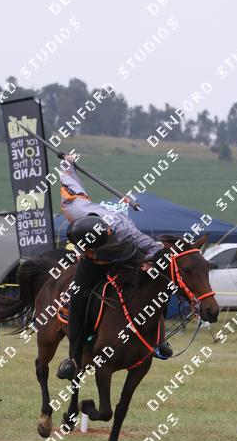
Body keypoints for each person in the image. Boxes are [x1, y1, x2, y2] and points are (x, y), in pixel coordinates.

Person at [56, 154, 172, 380]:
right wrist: (67, 163)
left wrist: (156, 260)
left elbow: (151, 247)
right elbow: (71, 186)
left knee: (155, 285)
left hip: (125, 257)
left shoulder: (125, 231)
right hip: (92, 262)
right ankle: (74, 358)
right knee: (77, 298)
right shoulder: (76, 210)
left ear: (108, 234)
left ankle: (158, 339)